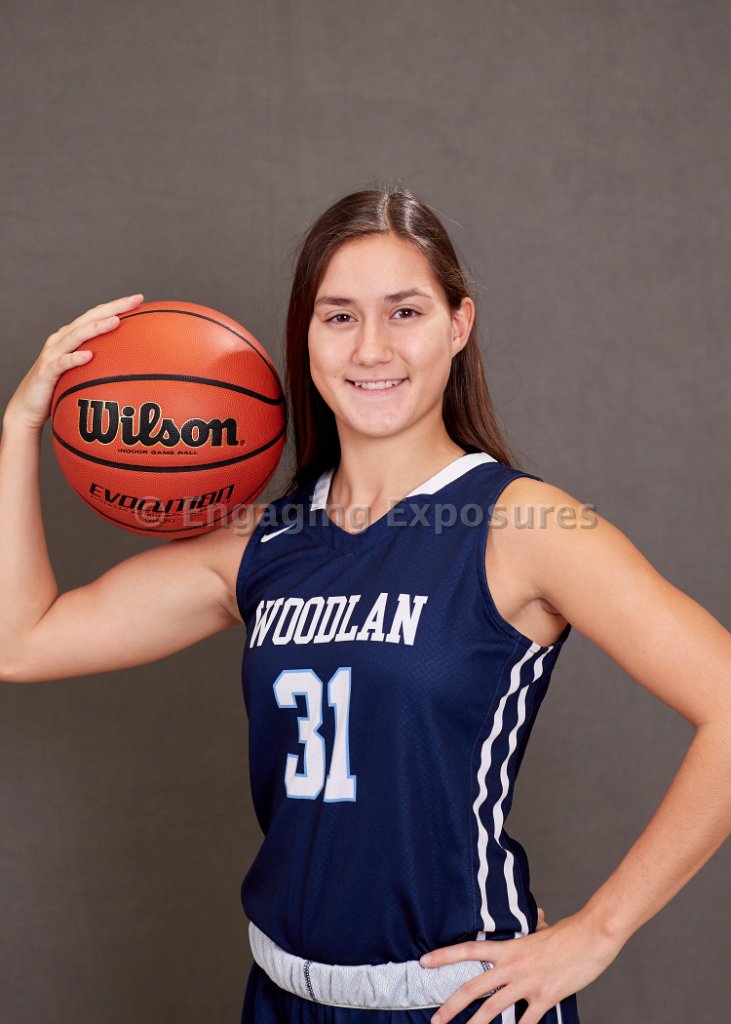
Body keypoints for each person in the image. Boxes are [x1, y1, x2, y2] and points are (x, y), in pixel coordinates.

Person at [0, 187, 728, 1024]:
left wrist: (598, 931)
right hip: (285, 993)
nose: (371, 348)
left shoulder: (521, 524)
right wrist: (23, 425)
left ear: (457, 325)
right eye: (338, 316)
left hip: (452, 1001)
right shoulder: (263, 544)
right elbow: (21, 640)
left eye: (404, 312)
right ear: (304, 337)